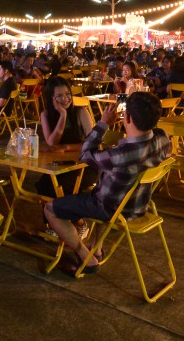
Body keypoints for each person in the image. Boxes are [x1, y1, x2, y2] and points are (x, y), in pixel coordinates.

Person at [42, 91, 172, 276]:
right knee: (102, 189)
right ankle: (97, 249)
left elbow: (85, 154)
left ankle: (87, 258)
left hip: (111, 209)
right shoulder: (162, 138)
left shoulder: (121, 155)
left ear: (127, 117)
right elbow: (152, 134)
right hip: (138, 206)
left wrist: (103, 123)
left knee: (50, 209)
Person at [36, 76, 97, 198]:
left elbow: (93, 144)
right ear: (51, 98)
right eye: (59, 96)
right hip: (62, 165)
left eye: (68, 94)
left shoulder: (81, 112)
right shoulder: (46, 115)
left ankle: (69, 209)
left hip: (86, 165)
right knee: (42, 185)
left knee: (56, 188)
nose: (65, 98)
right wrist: (63, 115)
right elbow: (52, 143)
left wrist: (66, 147)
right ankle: (60, 209)